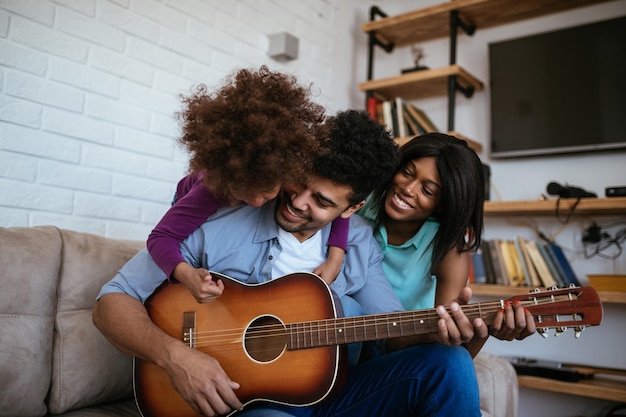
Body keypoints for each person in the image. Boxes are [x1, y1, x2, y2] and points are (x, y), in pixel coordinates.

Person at [94, 110, 529, 417]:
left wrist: (469, 329)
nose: (298, 203)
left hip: (333, 397)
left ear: (352, 208)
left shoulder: (357, 244)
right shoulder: (224, 218)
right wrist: (175, 357)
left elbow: (393, 333)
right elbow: (111, 301)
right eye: (299, 184)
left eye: (321, 201)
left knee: (447, 366)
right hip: (248, 404)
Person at [146, 66, 348, 304]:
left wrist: (336, 257)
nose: (255, 202)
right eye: (243, 193)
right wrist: (186, 274)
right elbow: (161, 236)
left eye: (265, 194)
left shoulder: (283, 171)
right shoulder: (211, 190)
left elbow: (341, 208)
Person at [358, 133, 484, 311]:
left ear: (443, 204)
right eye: (407, 172)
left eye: (427, 190)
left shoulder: (449, 250)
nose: (408, 189)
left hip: (408, 336)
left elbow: (443, 331)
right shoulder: (363, 201)